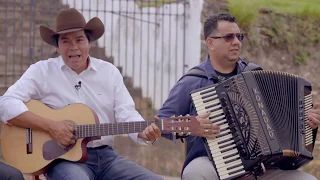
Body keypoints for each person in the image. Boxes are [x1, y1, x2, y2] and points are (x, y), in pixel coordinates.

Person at [0, 8, 163, 180]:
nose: (74, 47)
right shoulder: (42, 71)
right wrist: (50, 126)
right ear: (57, 45)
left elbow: (127, 113)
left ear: (89, 42)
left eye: (79, 39)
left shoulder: (109, 72)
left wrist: (143, 133)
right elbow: (5, 103)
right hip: (63, 161)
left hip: (107, 158)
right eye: (65, 41)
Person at [157, 13, 320, 180]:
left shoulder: (255, 74)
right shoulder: (193, 81)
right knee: (195, 173)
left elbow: (281, 122)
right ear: (210, 43)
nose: (236, 42)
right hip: (211, 164)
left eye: (238, 36)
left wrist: (305, 124)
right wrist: (193, 126)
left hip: (260, 167)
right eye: (229, 37)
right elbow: (161, 123)